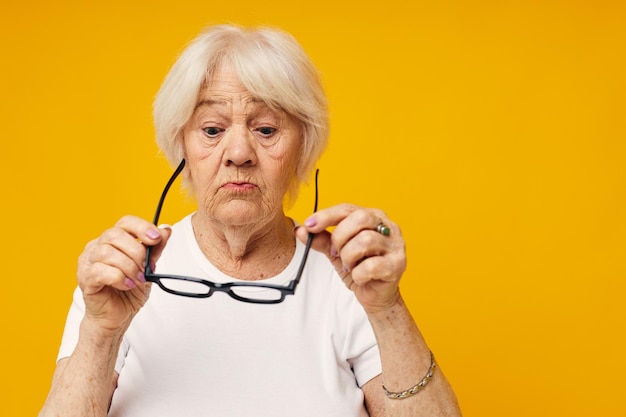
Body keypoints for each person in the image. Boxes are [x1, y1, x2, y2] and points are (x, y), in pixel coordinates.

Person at [39, 24, 462, 417]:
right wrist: (99, 330)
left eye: (265, 129)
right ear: (179, 146)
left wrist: (387, 309)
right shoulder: (126, 275)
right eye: (211, 129)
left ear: (303, 150)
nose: (238, 152)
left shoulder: (349, 277)